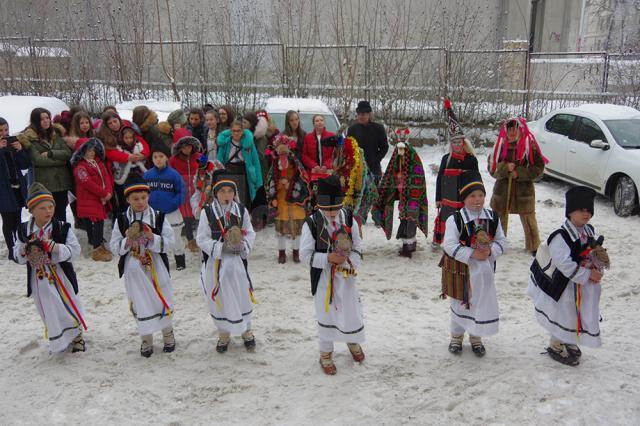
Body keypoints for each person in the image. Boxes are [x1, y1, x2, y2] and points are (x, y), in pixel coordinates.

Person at [528, 186, 606, 366]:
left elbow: (592, 252)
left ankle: (569, 338)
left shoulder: (589, 231)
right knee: (563, 314)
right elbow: (564, 264)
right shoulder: (560, 237)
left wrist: (598, 265)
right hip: (563, 287)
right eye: (581, 210)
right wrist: (587, 274)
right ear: (570, 212)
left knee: (576, 313)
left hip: (582, 285)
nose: (586, 214)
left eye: (589, 210)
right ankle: (556, 344)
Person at [299, 175, 365, 375]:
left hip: (346, 275)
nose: (331, 213)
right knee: (326, 313)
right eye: (327, 209)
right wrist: (328, 259)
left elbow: (358, 246)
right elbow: (305, 256)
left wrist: (349, 263)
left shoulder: (348, 218)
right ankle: (325, 352)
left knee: (351, 310)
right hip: (324, 279)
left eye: (335, 208)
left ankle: (352, 340)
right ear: (319, 205)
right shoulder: (311, 223)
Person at [13, 182, 87, 353]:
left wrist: (54, 247)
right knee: (47, 307)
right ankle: (59, 337)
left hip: (61, 275)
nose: (48, 211)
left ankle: (77, 337)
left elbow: (75, 251)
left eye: (50, 206)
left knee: (67, 302)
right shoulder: (24, 230)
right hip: (38, 279)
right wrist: (24, 249)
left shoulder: (62, 227)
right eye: (42, 208)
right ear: (31, 210)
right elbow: (16, 252)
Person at [440, 170, 507, 357]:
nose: (477, 200)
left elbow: (502, 241)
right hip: (462, 271)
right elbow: (449, 244)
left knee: (480, 303)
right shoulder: (456, 219)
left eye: (481, 195)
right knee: (461, 303)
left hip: (485, 272)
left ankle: (476, 338)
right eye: (472, 196)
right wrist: (472, 254)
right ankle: (456, 336)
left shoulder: (492, 218)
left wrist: (490, 252)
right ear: (464, 198)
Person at [109, 182, 176, 357]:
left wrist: (151, 236)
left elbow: (170, 243)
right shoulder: (122, 219)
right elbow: (114, 247)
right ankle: (146, 338)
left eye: (143, 198)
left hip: (156, 266)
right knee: (140, 300)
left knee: (161, 297)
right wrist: (128, 240)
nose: (140, 202)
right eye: (135, 198)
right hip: (134, 269)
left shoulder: (159, 217)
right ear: (127, 199)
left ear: (149, 197)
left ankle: (167, 333)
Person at [196, 169, 257, 353]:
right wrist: (220, 247)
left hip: (237, 264)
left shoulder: (241, 210)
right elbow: (201, 238)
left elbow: (251, 232)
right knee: (220, 298)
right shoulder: (208, 212)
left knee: (241, 295)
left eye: (230, 191)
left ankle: (246, 331)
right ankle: (223, 334)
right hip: (216, 265)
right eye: (222, 191)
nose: (226, 195)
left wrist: (242, 245)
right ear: (216, 193)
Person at [489, 117, 547, 254]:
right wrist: (505, 168)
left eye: (515, 128)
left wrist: (519, 173)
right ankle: (498, 244)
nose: (512, 131)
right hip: (502, 191)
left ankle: (533, 246)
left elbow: (538, 168)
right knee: (499, 218)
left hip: (524, 192)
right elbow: (492, 168)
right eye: (509, 128)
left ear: (520, 129)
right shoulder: (499, 146)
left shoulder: (529, 145)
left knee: (528, 219)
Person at [372, 129, 428, 258]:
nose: (401, 152)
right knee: (404, 217)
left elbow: (418, 176)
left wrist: (407, 183)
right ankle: (408, 244)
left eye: (403, 150)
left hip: (413, 195)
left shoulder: (414, 159)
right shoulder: (396, 160)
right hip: (402, 195)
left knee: (410, 217)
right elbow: (389, 176)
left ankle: (408, 246)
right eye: (399, 150)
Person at [433, 99, 479, 248]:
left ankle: (465, 240)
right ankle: (444, 241)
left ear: (464, 143)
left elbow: (476, 181)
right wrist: (438, 198)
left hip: (465, 199)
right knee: (448, 220)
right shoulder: (446, 159)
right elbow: (440, 179)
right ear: (451, 144)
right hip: (448, 200)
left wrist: (476, 197)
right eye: (454, 142)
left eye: (460, 142)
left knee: (465, 220)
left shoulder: (471, 160)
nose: (457, 145)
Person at [18, 108, 73, 222]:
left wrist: (50, 153)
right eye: (41, 119)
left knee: (61, 214)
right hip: (45, 183)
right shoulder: (29, 138)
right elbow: (37, 160)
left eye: (47, 118)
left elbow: (67, 153)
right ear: (35, 121)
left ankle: (62, 238)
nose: (45, 121)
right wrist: (60, 161)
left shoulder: (55, 135)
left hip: (61, 182)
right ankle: (49, 238)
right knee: (48, 216)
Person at [265, 134, 311, 263]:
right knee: (281, 228)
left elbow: (303, 179)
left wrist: (290, 184)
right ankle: (281, 253)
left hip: (295, 200)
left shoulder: (296, 163)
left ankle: (296, 252)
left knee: (297, 227)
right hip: (280, 200)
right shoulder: (274, 164)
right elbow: (269, 181)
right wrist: (274, 193)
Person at [144, 143, 187, 271]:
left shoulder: (174, 175)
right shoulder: (147, 175)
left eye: (161, 156)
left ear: (166, 158)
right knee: (156, 237)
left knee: (175, 236)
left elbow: (181, 192)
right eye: (155, 157)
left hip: (171, 212)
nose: (158, 159)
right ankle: (161, 261)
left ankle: (180, 260)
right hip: (154, 214)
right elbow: (142, 192)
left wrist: (173, 203)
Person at [71, 137, 113, 261]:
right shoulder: (80, 167)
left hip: (100, 198)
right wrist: (104, 193)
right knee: (97, 222)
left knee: (98, 222)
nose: (92, 153)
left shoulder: (98, 163)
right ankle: (96, 249)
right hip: (89, 199)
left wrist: (109, 192)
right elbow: (87, 183)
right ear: (81, 152)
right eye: (88, 151)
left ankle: (98, 244)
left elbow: (106, 178)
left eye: (93, 150)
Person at [0, 117, 31, 261]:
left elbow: (25, 165)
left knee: (18, 218)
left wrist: (19, 150)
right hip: (3, 190)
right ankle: (11, 249)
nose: (4, 133)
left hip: (17, 187)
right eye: (0, 131)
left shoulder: (12, 145)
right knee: (7, 220)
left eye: (6, 130)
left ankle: (19, 246)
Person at [216, 120, 262, 208]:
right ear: (230, 131)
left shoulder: (249, 143)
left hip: (244, 171)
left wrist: (259, 181)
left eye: (238, 131)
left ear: (242, 131)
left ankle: (244, 218)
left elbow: (256, 162)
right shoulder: (225, 142)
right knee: (230, 198)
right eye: (233, 131)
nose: (236, 133)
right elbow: (219, 160)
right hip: (229, 171)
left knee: (244, 199)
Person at [169, 131, 201, 254]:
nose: (187, 149)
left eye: (189, 146)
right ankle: (190, 239)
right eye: (184, 146)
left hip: (196, 190)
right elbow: (170, 175)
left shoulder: (198, 156)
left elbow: (207, 167)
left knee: (197, 214)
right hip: (182, 191)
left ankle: (199, 238)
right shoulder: (173, 160)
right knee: (186, 216)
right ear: (179, 147)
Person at [346, 100, 389, 184]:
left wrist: (376, 160)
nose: (360, 117)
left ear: (369, 114)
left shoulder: (378, 128)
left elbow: (384, 147)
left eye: (363, 114)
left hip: (373, 168)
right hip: (356, 168)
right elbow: (349, 148)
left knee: (373, 194)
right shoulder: (352, 129)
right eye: (358, 114)